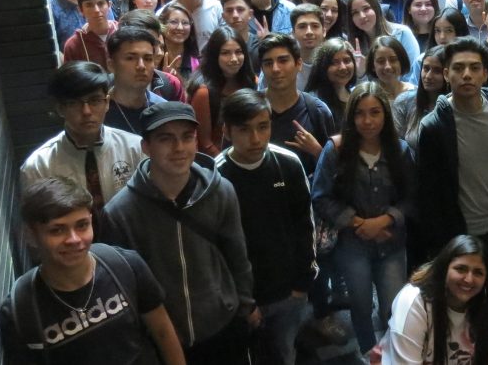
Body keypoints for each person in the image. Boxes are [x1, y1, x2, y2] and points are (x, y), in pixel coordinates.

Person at [102, 102, 258, 364]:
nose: (179, 148)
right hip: (162, 341)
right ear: (146, 146)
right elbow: (122, 289)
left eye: (187, 137)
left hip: (222, 326)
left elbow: (237, 256)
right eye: (166, 139)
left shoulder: (221, 191)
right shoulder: (120, 213)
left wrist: (244, 305)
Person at [0, 178, 185, 365]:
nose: (74, 239)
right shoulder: (20, 310)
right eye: (57, 230)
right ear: (31, 235)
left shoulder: (125, 265)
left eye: (82, 225)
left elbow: (163, 332)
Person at [416, 37, 488, 300]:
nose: (466, 74)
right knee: (466, 299)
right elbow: (430, 193)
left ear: (485, 74)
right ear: (447, 74)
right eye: (458, 68)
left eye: (474, 67)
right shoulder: (434, 127)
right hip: (463, 233)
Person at [312, 82, 417, 354]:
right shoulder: (336, 150)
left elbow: (412, 198)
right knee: (360, 304)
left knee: (393, 306)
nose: (367, 121)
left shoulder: (400, 150)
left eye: (375, 112)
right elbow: (321, 197)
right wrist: (359, 223)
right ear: (351, 116)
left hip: (391, 242)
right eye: (360, 113)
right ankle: (370, 353)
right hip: (352, 244)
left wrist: (385, 221)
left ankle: (396, 354)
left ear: (385, 115)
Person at [215, 90, 315, 365]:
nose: (256, 138)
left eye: (263, 127)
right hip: (242, 300)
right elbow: (217, 248)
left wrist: (302, 284)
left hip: (288, 292)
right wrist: (243, 302)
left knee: (284, 353)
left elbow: (305, 226)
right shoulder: (216, 175)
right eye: (244, 130)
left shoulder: (288, 164)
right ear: (227, 131)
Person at [19, 61, 144, 238]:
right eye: (74, 103)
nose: (86, 111)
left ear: (107, 102)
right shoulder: (39, 166)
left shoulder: (135, 148)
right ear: (60, 108)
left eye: (95, 100)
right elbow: (36, 234)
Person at [382, 235, 488, 364]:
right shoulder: (413, 301)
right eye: (461, 269)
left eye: (478, 272)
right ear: (444, 268)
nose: (469, 279)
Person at [258, 33, 336, 175]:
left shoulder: (318, 111)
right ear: (262, 68)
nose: (275, 69)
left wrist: (318, 151)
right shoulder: (248, 109)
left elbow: (335, 172)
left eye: (283, 60)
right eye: (268, 63)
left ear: (299, 64)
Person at [188, 26, 257, 156]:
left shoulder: (253, 83)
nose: (234, 59)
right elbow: (205, 143)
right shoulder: (203, 93)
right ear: (215, 56)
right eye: (226, 53)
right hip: (217, 160)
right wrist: (229, 162)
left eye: (238, 52)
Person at [103, 27, 167, 135]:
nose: (141, 66)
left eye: (147, 59)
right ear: (111, 65)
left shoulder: (163, 110)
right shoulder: (98, 111)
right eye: (130, 58)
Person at [392, 45, 448, 151]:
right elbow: (395, 145)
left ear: (447, 74)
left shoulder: (455, 107)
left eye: (437, 71)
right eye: (426, 69)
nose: (428, 76)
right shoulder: (404, 101)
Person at [62, 0, 118, 69]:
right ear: (80, 10)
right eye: (89, 5)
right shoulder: (73, 45)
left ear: (109, 5)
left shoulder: (122, 31)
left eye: (100, 3)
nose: (96, 10)